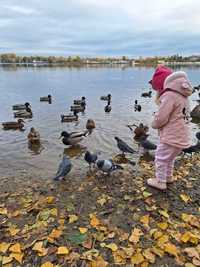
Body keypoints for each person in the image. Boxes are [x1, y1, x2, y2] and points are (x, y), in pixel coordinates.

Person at [147, 65, 193, 190]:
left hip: (171, 136)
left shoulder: (169, 96)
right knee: (170, 158)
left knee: (160, 158)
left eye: (158, 89)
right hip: (182, 136)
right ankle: (168, 177)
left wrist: (154, 124)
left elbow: (162, 118)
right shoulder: (183, 95)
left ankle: (160, 181)